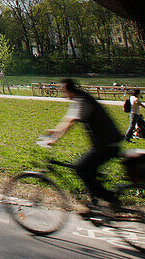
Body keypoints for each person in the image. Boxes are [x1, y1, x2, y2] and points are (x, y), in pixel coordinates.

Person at [45, 78, 121, 213]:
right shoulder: (81, 98)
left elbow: (71, 122)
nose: (63, 94)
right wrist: (54, 132)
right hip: (105, 143)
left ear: (68, 90)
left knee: (81, 168)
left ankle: (111, 199)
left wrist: (55, 138)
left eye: (63, 90)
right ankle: (93, 202)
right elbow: (68, 118)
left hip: (107, 144)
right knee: (88, 170)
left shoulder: (82, 101)